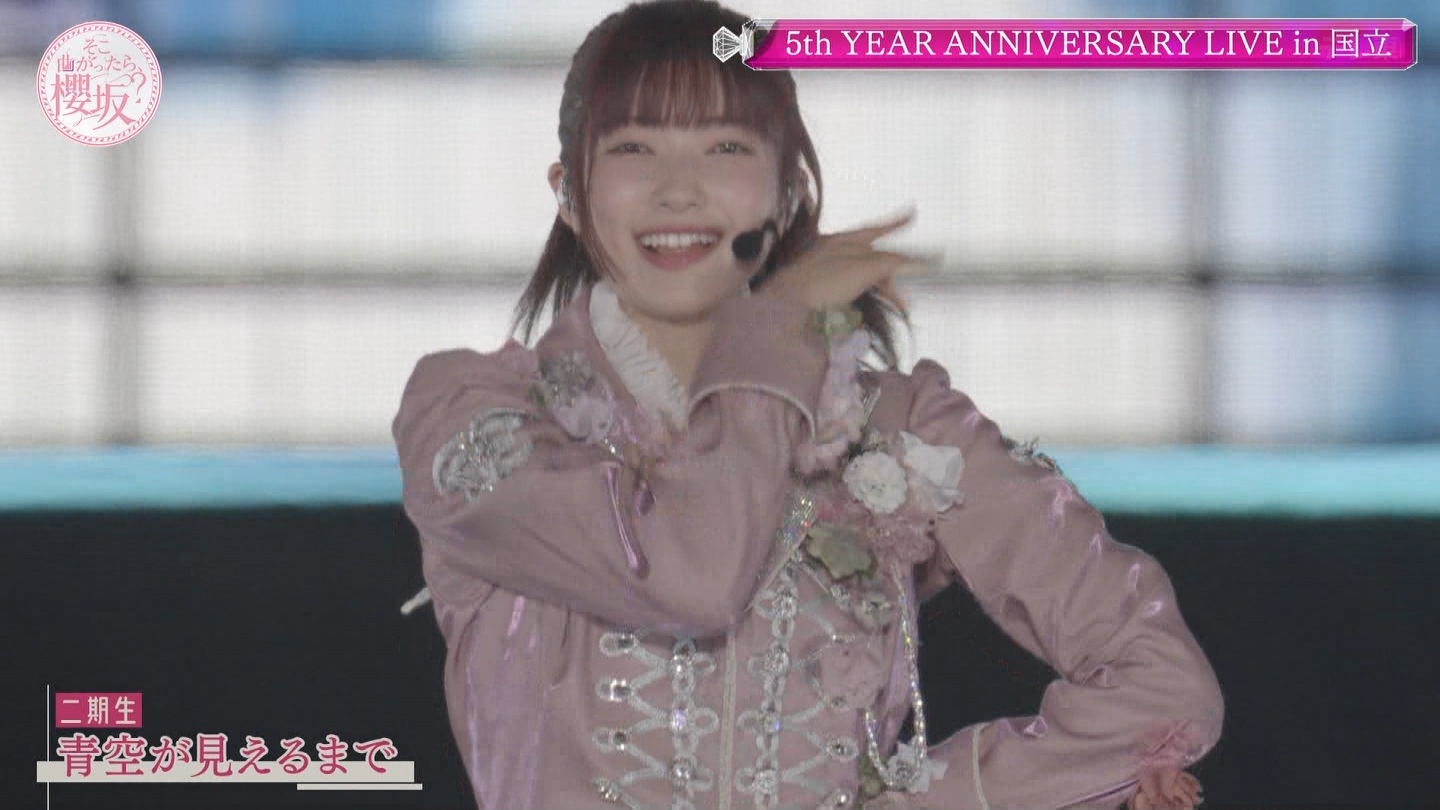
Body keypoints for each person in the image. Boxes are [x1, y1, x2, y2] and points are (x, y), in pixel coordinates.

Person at [391, 1, 1222, 807]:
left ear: (786, 191)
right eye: (635, 148)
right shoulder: (474, 416)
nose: (679, 191)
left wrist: (922, 800)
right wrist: (780, 327)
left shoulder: (900, 425)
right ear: (570, 193)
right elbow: (691, 577)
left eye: (724, 147)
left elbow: (1161, 684)